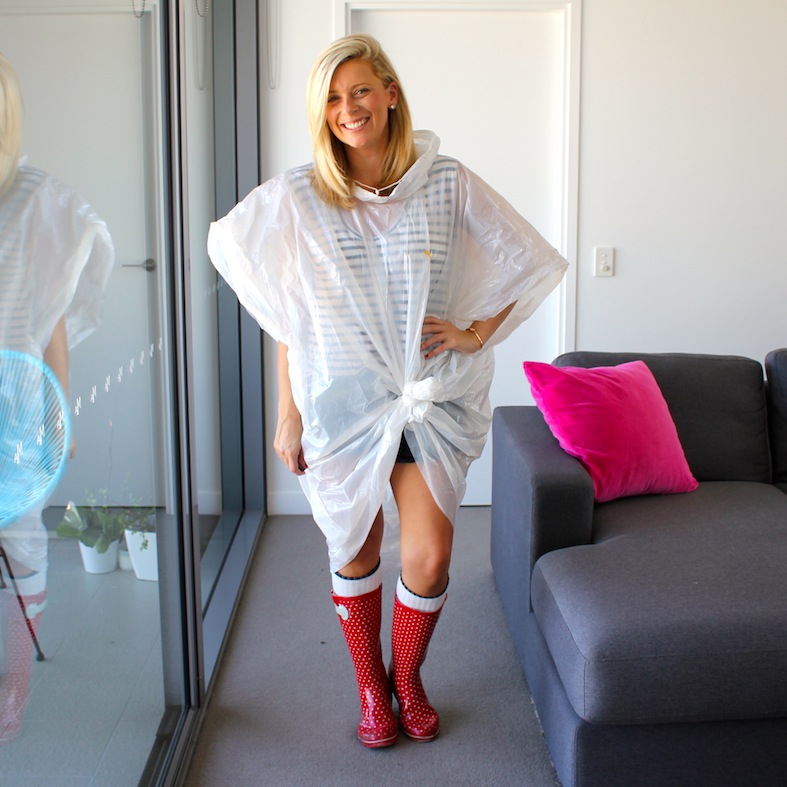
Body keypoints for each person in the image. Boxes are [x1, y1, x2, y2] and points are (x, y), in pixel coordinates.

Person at [208, 34, 567, 748]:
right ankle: (371, 689)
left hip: (427, 400)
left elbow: (525, 257)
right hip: (341, 401)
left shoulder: (447, 180)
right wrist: (287, 412)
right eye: (333, 99)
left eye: (361, 91)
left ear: (390, 94)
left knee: (429, 555)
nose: (349, 109)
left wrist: (474, 332)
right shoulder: (300, 195)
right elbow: (289, 315)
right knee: (357, 545)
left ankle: (408, 674)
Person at [0, 52, 113, 742]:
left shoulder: (37, 202)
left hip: (13, 403)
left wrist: (59, 410)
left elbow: (53, 322)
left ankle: (16, 679)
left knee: (20, 540)